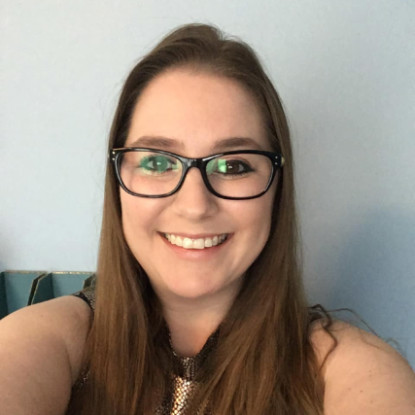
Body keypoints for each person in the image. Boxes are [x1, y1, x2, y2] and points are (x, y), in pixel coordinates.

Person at [1, 23, 414, 415]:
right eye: (158, 161)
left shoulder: (351, 370)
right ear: (118, 183)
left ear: (277, 188)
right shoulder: (49, 340)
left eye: (233, 166)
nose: (195, 205)